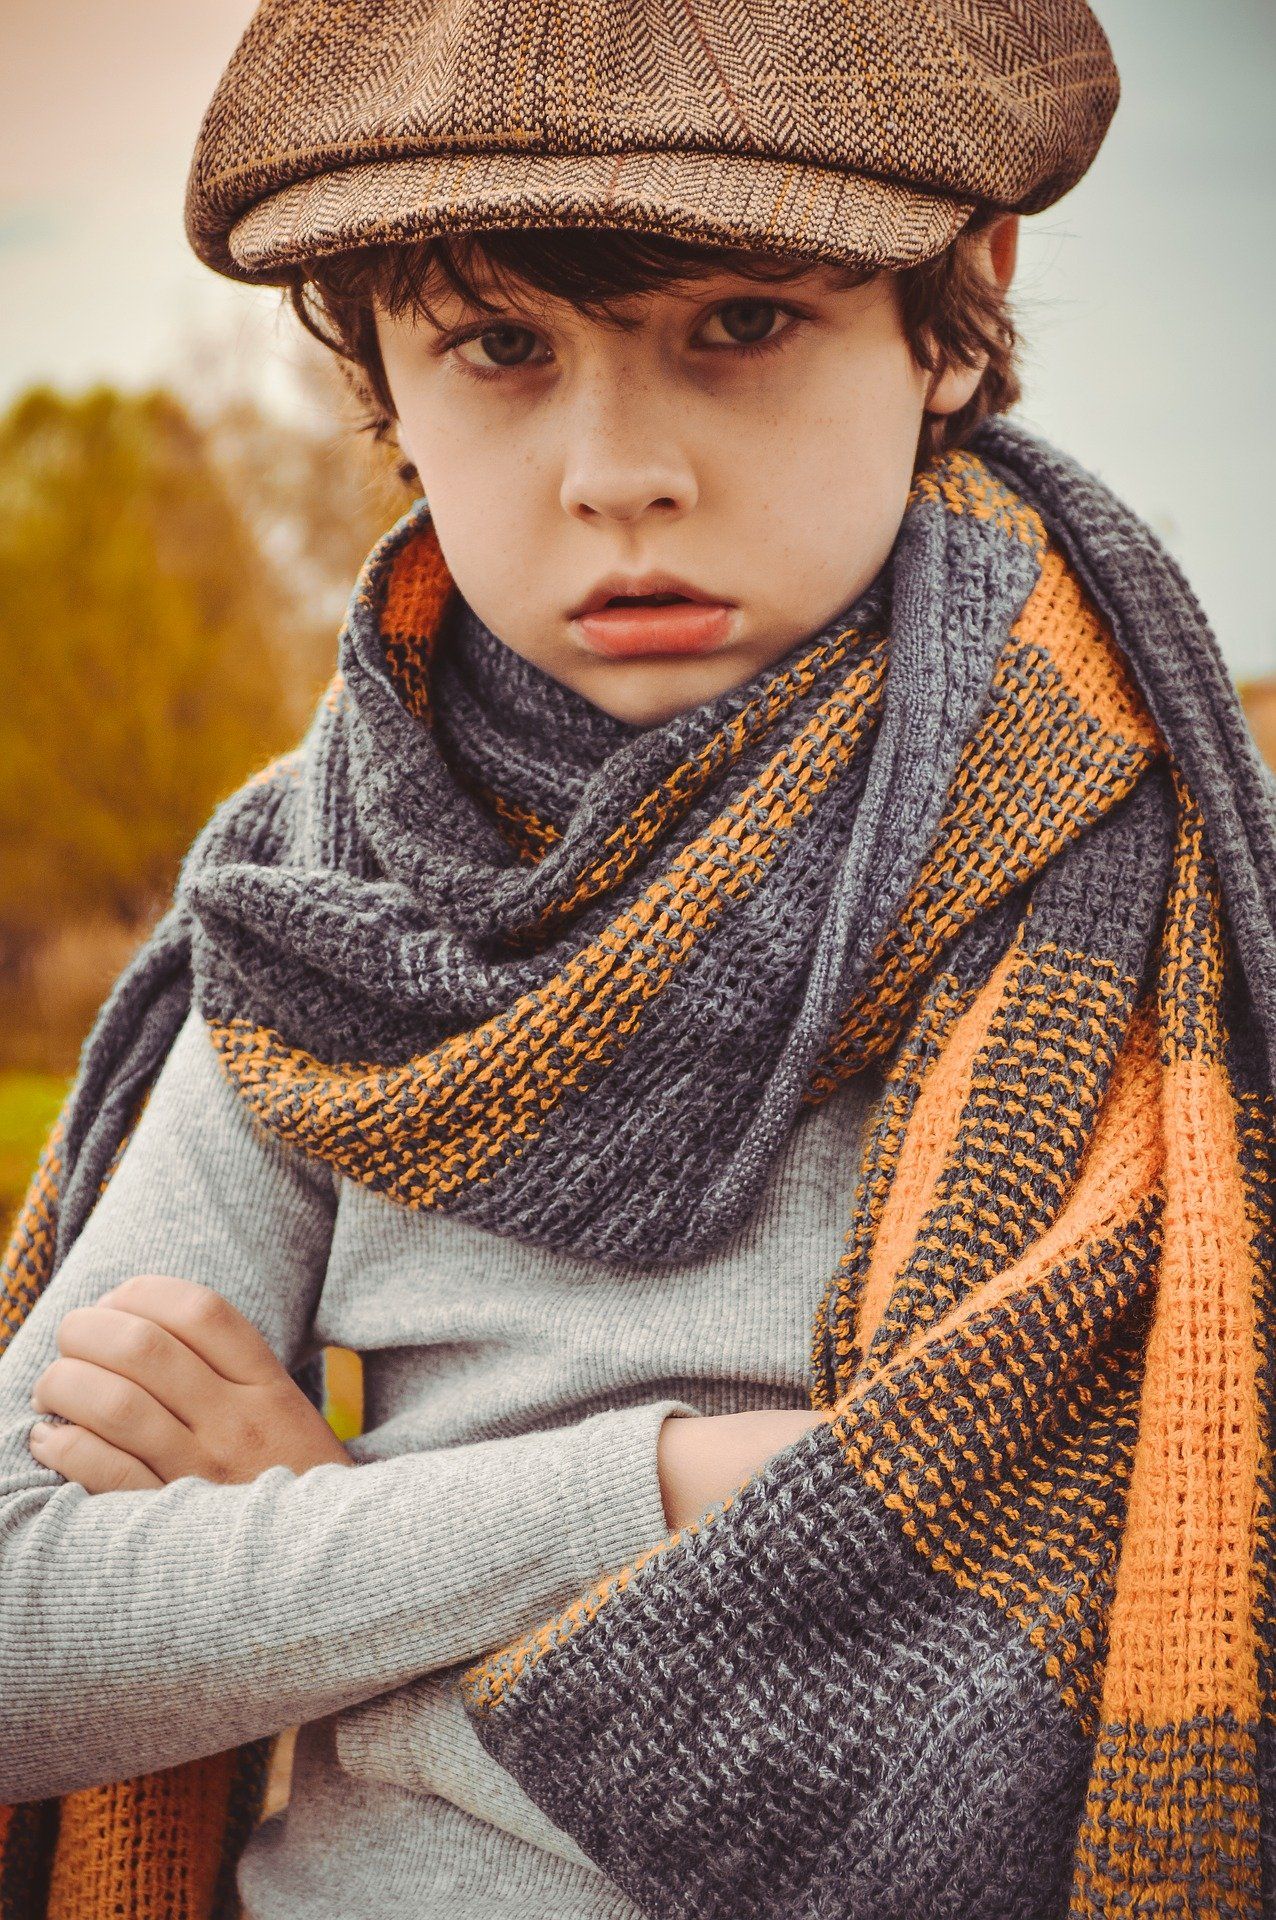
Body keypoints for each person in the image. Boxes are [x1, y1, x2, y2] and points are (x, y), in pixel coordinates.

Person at [3, 4, 1275, 1917]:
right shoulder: (340, 910)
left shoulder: (1174, 895)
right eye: (499, 345)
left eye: (740, 324)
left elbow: (1102, 1669)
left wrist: (313, 1551)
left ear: (956, 302)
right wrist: (662, 1487)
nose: (616, 473)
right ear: (376, 362)